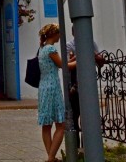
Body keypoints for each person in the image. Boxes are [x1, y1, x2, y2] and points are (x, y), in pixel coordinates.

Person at [38, 23, 74, 162]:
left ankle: (51, 157)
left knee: (46, 125)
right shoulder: (51, 49)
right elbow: (63, 66)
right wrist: (81, 61)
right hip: (52, 88)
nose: (60, 36)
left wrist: (73, 59)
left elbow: (59, 63)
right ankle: (51, 157)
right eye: (59, 33)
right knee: (60, 124)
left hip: (43, 87)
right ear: (54, 34)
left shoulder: (42, 49)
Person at [66, 25, 104, 148]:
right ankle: (75, 147)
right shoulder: (69, 45)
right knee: (74, 116)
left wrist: (93, 54)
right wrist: (81, 53)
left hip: (89, 84)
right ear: (74, 33)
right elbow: (68, 62)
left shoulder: (91, 43)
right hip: (75, 85)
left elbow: (101, 61)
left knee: (87, 117)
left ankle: (87, 146)